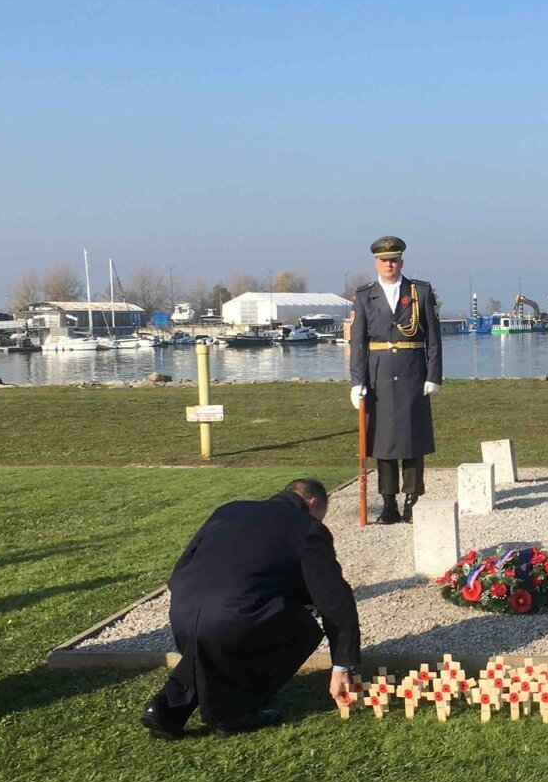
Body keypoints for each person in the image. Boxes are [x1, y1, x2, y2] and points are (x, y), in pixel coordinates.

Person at [140, 478, 360, 740]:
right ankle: (234, 712)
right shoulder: (307, 528)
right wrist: (341, 666)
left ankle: (167, 707)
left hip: (183, 613)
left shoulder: (228, 510)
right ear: (312, 503)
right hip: (235, 620)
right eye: (321, 516)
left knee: (212, 641)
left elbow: (183, 566)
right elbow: (334, 599)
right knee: (302, 628)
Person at [349, 235, 443, 524]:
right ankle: (388, 502)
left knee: (412, 439)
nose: (389, 264)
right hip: (379, 376)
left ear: (401, 261)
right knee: (384, 440)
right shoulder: (365, 296)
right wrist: (357, 381)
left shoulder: (420, 292)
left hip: (413, 373)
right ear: (376, 262)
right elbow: (358, 342)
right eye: (383, 260)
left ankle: (412, 499)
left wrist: (434, 375)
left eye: (393, 259)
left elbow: (433, 339)